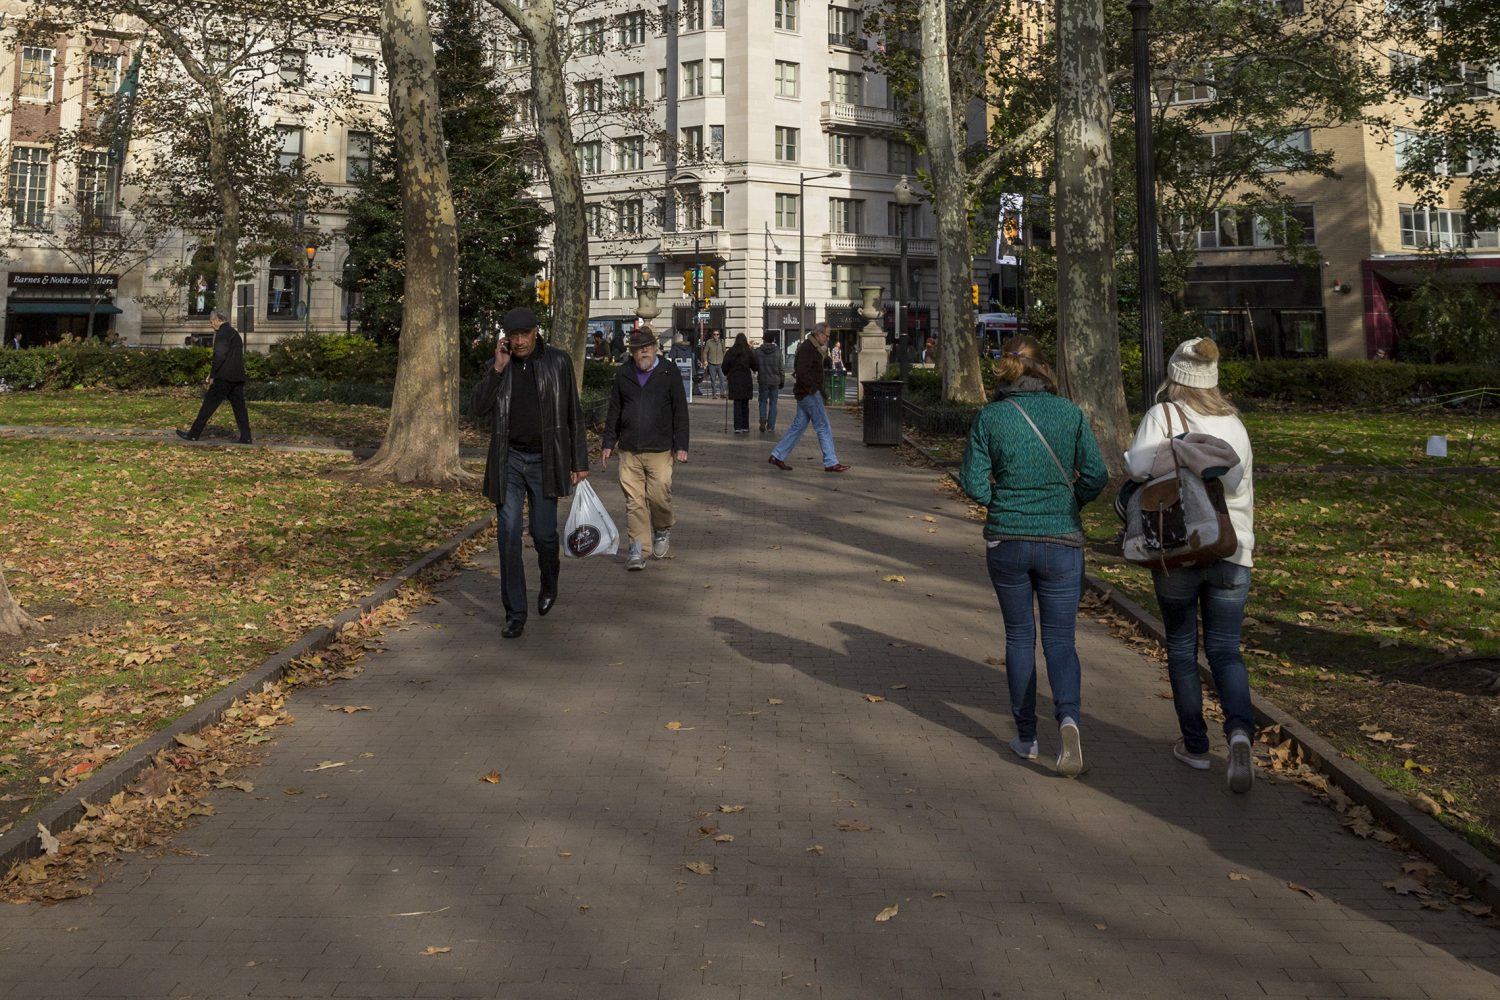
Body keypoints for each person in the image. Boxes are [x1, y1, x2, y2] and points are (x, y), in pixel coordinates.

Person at [958, 335, 1107, 777]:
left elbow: (972, 479)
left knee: (1019, 637)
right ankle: (1068, 719)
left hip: (1008, 540)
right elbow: (1096, 474)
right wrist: (1071, 502)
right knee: (1061, 641)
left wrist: (997, 500)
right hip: (1062, 540)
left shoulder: (991, 417)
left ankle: (1026, 737)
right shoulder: (1069, 413)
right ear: (1043, 369)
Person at [1125, 337, 1257, 793]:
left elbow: (1137, 468)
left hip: (1177, 547)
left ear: (1176, 374)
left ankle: (1196, 746)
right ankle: (1240, 733)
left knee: (1182, 648)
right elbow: (1238, 484)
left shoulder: (1162, 416)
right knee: (1225, 650)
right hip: (1231, 550)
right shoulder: (1234, 424)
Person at [472, 306, 589, 638]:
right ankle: (515, 613)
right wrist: (497, 368)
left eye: (525, 334)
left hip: (545, 461)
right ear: (506, 337)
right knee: (508, 535)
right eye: (513, 335)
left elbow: (573, 414)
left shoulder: (558, 362)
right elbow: (477, 407)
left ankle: (549, 578)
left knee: (543, 535)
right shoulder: (500, 365)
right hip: (508, 461)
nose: (519, 341)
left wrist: (579, 462)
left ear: (537, 332)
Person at [602, 326, 690, 570]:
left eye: (648, 348)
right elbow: (615, 410)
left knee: (659, 495)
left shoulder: (668, 371)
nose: (644, 353)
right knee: (634, 501)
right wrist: (609, 442)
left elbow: (680, 411)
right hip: (629, 449)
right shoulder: (624, 374)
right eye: (639, 349)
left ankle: (662, 529)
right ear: (632, 352)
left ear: (655, 348)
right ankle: (638, 549)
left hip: (660, 449)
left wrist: (681, 445)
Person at [767, 323, 849, 473]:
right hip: (809, 393)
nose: (828, 338)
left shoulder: (812, 347)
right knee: (823, 426)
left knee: (798, 426)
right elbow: (802, 371)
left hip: (805, 392)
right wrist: (813, 389)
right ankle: (831, 462)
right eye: (827, 335)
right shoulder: (809, 348)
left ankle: (777, 455)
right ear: (818, 334)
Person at [176, 309, 251, 444]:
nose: (211, 325)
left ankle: (193, 434)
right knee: (240, 409)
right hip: (237, 377)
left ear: (217, 320)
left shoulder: (222, 334)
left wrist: (212, 375)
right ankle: (246, 437)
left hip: (223, 377)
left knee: (208, 406)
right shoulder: (234, 333)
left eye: (211, 322)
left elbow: (219, 356)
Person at [722, 332, 756, 434]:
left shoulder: (730, 352)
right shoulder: (748, 352)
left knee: (737, 404)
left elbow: (724, 368)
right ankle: (745, 426)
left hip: (734, 380)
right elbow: (755, 366)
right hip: (745, 380)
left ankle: (738, 427)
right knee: (745, 404)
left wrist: (728, 372)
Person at [754, 336, 783, 434]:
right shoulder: (778, 351)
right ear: (773, 340)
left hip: (763, 380)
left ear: (764, 340)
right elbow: (781, 368)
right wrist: (782, 380)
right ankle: (771, 426)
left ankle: (762, 417)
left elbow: (755, 366)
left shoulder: (758, 351)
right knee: (773, 403)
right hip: (775, 380)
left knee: (762, 401)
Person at [702, 329, 726, 398]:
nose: (716, 336)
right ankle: (714, 394)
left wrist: (725, 361)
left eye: (717, 334)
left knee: (722, 378)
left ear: (719, 335)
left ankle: (722, 393)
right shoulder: (709, 342)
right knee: (713, 379)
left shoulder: (722, 342)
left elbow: (724, 352)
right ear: (712, 335)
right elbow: (705, 352)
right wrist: (705, 361)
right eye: (714, 334)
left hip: (720, 363)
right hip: (711, 363)